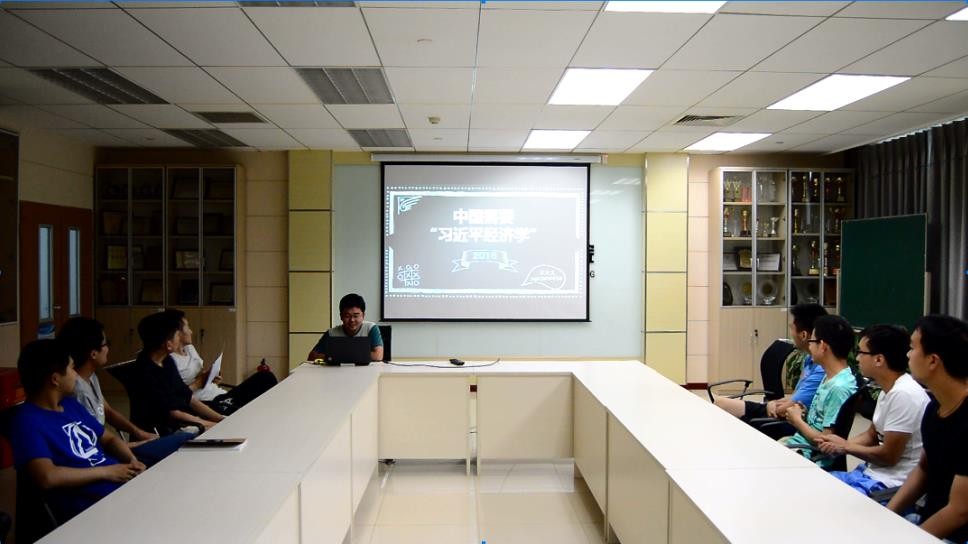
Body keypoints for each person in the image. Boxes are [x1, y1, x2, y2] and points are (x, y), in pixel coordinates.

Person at [8, 340, 145, 522]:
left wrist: (131, 460)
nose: (76, 375)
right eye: (72, 369)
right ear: (55, 379)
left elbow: (109, 439)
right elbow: (47, 476)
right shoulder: (27, 421)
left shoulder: (70, 405)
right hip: (96, 506)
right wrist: (108, 471)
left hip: (121, 485)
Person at [57, 317, 194, 466]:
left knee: (183, 440)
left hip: (116, 448)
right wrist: (132, 445)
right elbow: (90, 445)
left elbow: (108, 411)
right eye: (106, 344)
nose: (108, 348)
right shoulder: (76, 392)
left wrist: (139, 433)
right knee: (184, 440)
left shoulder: (91, 377)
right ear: (93, 353)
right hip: (106, 457)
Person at [816, 324, 930, 496]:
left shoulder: (904, 394)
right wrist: (835, 445)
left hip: (890, 484)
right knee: (815, 485)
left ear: (879, 360)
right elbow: (872, 435)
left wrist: (846, 447)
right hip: (872, 474)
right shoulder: (888, 389)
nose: (857, 358)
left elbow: (889, 456)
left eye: (861, 353)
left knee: (822, 496)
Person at [887, 315, 968, 542]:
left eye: (913, 348)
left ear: (933, 361)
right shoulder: (935, 408)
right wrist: (887, 514)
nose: (907, 354)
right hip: (928, 521)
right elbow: (924, 468)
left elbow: (960, 511)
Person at [713, 303, 828, 424]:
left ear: (804, 335)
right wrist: (775, 403)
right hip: (783, 412)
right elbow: (796, 397)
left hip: (789, 422)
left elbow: (790, 408)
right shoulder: (810, 359)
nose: (790, 333)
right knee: (721, 404)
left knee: (725, 413)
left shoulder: (821, 369)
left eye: (791, 328)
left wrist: (772, 406)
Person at [127, 311, 225, 436]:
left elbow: (188, 397)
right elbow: (173, 413)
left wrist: (221, 419)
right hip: (163, 432)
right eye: (177, 335)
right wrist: (212, 425)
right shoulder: (145, 372)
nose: (180, 339)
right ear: (168, 345)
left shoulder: (166, 361)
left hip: (184, 421)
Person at [164, 309, 276, 415]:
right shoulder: (169, 360)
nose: (191, 331)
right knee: (255, 407)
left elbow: (199, 374)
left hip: (220, 395)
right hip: (205, 403)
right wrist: (198, 383)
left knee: (265, 377)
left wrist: (211, 377)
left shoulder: (189, 348)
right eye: (188, 327)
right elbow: (174, 397)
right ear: (177, 332)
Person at [781, 314, 859, 468]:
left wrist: (797, 420)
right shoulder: (831, 376)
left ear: (822, 346)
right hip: (799, 443)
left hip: (808, 454)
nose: (809, 347)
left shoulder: (838, 388)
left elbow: (825, 441)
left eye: (812, 341)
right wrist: (804, 415)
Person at [307, 293, 384, 362]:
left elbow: (378, 356)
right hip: (337, 371)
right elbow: (312, 356)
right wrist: (333, 357)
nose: (352, 320)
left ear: (363, 315)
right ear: (341, 316)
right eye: (347, 316)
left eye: (356, 316)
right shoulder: (331, 333)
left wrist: (339, 355)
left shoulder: (371, 328)